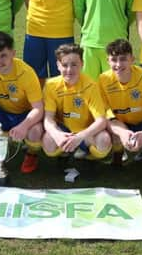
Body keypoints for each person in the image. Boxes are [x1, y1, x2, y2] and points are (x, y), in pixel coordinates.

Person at [0, 31, 44, 173]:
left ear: (13, 53)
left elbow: (38, 108)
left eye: (3, 55)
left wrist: (24, 125)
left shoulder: (26, 73)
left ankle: (31, 154)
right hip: (3, 111)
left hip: (25, 113)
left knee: (35, 132)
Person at [98, 39, 142, 174]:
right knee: (112, 134)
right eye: (114, 60)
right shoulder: (103, 80)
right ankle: (118, 155)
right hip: (121, 122)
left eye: (123, 59)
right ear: (108, 61)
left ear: (132, 59)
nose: (118, 64)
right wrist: (122, 132)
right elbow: (103, 116)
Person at [42, 44, 111, 176]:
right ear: (58, 65)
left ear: (82, 64)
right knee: (48, 143)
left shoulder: (91, 86)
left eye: (74, 64)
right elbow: (48, 118)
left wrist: (80, 137)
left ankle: (89, 158)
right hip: (65, 131)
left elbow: (101, 121)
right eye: (65, 65)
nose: (69, 69)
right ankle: (64, 154)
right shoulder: (50, 85)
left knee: (104, 140)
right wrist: (57, 134)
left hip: (86, 133)